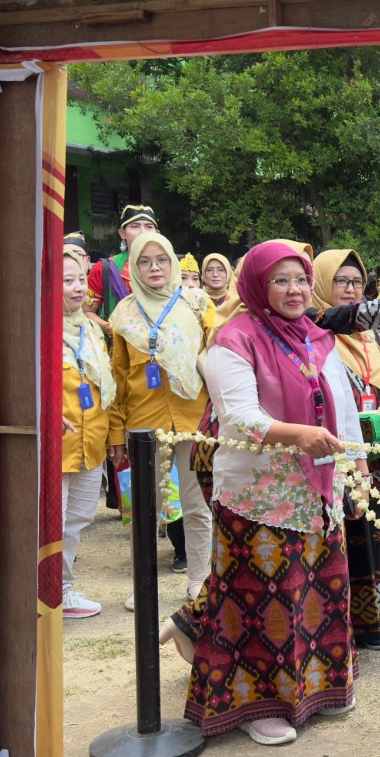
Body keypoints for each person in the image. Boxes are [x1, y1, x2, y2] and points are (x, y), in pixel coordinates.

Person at [160, 240, 363, 745]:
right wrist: (298, 435)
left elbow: (345, 406)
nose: (294, 290)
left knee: (317, 588)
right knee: (265, 602)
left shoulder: (317, 337)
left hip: (318, 489)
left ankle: (321, 688)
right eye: (281, 280)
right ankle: (256, 704)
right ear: (257, 284)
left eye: (300, 279)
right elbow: (241, 418)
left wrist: (356, 467)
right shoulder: (233, 339)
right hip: (259, 495)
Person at [107, 231, 215, 603]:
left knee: (197, 504)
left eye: (162, 260)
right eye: (145, 261)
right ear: (133, 268)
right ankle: (144, 585)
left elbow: (216, 361)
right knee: (145, 510)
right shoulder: (122, 315)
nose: (154, 268)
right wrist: (116, 436)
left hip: (194, 421)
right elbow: (118, 377)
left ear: (173, 262)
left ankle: (200, 579)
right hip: (143, 424)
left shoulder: (198, 304)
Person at [313, 249, 380, 651]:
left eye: (356, 282)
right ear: (322, 285)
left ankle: (372, 624)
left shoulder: (368, 338)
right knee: (342, 535)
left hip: (375, 451)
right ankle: (339, 626)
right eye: (341, 281)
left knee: (375, 534)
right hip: (336, 450)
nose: (350, 289)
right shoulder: (316, 328)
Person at [59, 247, 117, 618]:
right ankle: (42, 592)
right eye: (66, 281)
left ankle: (62, 591)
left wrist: (112, 439)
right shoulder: (37, 329)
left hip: (90, 439)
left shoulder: (92, 328)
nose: (78, 288)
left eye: (81, 278)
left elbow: (105, 387)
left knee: (77, 519)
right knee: (50, 520)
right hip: (56, 443)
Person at [89, 204, 158, 318]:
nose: (143, 232)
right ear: (122, 233)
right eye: (135, 226)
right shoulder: (104, 268)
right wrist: (112, 329)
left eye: (149, 226)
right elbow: (88, 312)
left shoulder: (171, 268)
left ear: (157, 233)